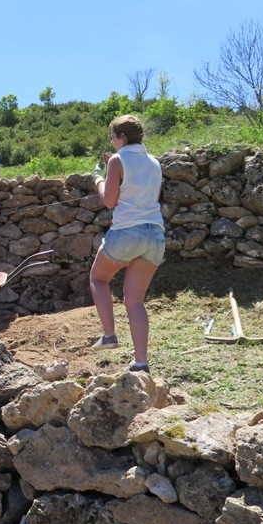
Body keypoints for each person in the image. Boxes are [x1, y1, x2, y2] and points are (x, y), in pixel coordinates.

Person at [88, 114, 165, 373]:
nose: (111, 141)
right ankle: (141, 362)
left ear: (122, 137)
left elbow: (110, 201)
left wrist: (99, 179)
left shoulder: (118, 160)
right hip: (155, 235)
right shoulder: (155, 162)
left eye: (113, 137)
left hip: (127, 232)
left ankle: (109, 334)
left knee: (98, 279)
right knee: (135, 300)